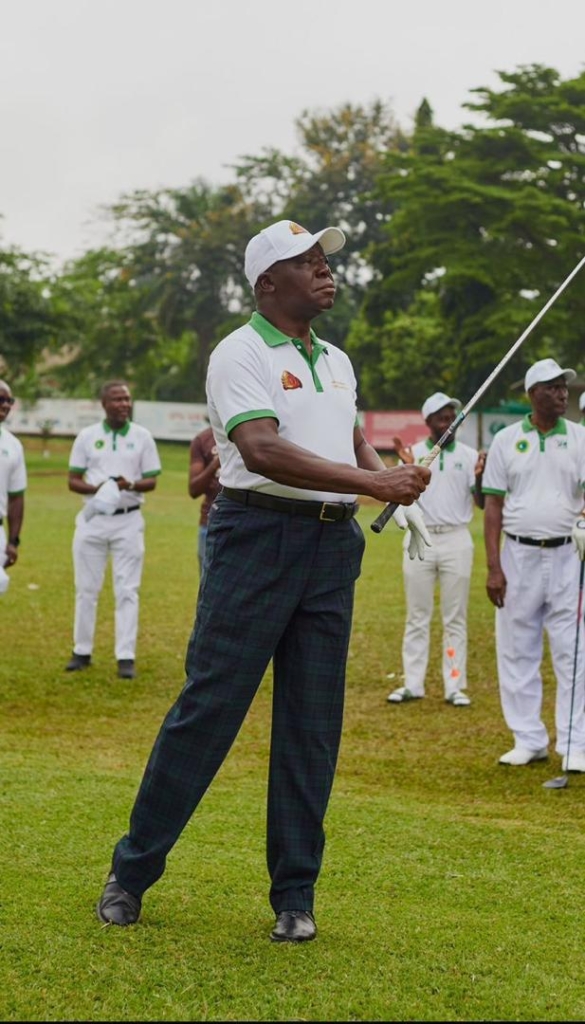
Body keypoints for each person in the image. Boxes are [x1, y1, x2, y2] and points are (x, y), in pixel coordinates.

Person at [96, 218, 432, 942]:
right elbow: (264, 450)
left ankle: (294, 894)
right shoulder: (238, 352)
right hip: (255, 537)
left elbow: (346, 438)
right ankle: (132, 872)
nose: (324, 271)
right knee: (209, 710)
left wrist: (388, 480)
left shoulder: (336, 361)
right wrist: (374, 486)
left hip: (328, 549)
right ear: (266, 283)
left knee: (312, 725)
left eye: (324, 260)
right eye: (304, 262)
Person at [482, 357, 585, 768]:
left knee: (573, 652)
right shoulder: (507, 440)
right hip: (518, 555)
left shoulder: (580, 437)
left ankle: (574, 744)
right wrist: (493, 567)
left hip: (568, 556)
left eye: (563, 386)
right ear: (532, 393)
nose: (561, 393)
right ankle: (528, 739)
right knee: (516, 649)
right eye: (552, 387)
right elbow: (493, 506)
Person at [387, 392, 486, 707]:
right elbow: (400, 501)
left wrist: (481, 478)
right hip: (420, 537)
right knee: (418, 615)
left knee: (454, 616)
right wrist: (405, 470)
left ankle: (454, 684)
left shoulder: (470, 456)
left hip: (457, 539)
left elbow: (481, 503)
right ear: (428, 421)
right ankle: (412, 683)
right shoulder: (413, 454)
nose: (449, 422)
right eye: (442, 417)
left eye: (452, 416)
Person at [66, 381, 162, 679]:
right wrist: (99, 489)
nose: (124, 404)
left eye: (127, 399)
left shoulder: (142, 436)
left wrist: (127, 484)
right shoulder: (87, 436)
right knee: (86, 589)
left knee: (127, 590)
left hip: (129, 520)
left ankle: (125, 656)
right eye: (117, 399)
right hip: (93, 518)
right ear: (104, 404)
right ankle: (82, 651)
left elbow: (152, 480)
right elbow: (73, 480)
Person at [0, 379, 27, 595]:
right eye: (1, 400)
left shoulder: (12, 445)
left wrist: (13, 541)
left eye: (9, 400)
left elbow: (16, 496)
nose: (6, 405)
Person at [188, 423, 221, 584]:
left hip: (246, 521)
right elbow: (194, 489)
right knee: (207, 583)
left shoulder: (250, 433)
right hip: (210, 522)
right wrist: (216, 463)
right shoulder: (203, 439)